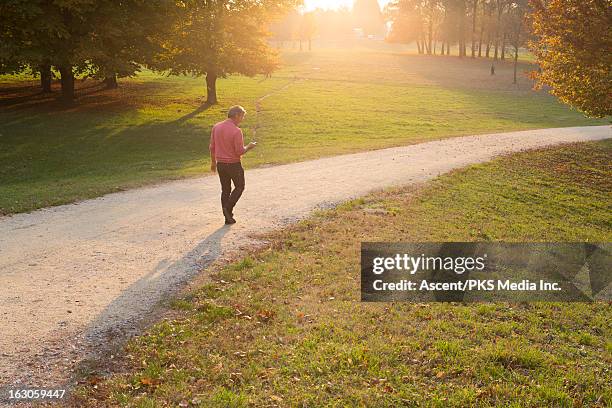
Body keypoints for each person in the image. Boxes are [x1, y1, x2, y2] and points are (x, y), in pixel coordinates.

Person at [209, 105, 257, 224]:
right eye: (242, 116)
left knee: (225, 190)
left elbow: (212, 147)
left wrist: (213, 162)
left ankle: (227, 217)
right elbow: (239, 151)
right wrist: (249, 147)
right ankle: (228, 208)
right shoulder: (236, 131)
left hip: (220, 164)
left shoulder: (216, 127)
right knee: (240, 187)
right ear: (236, 115)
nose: (242, 119)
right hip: (233, 165)